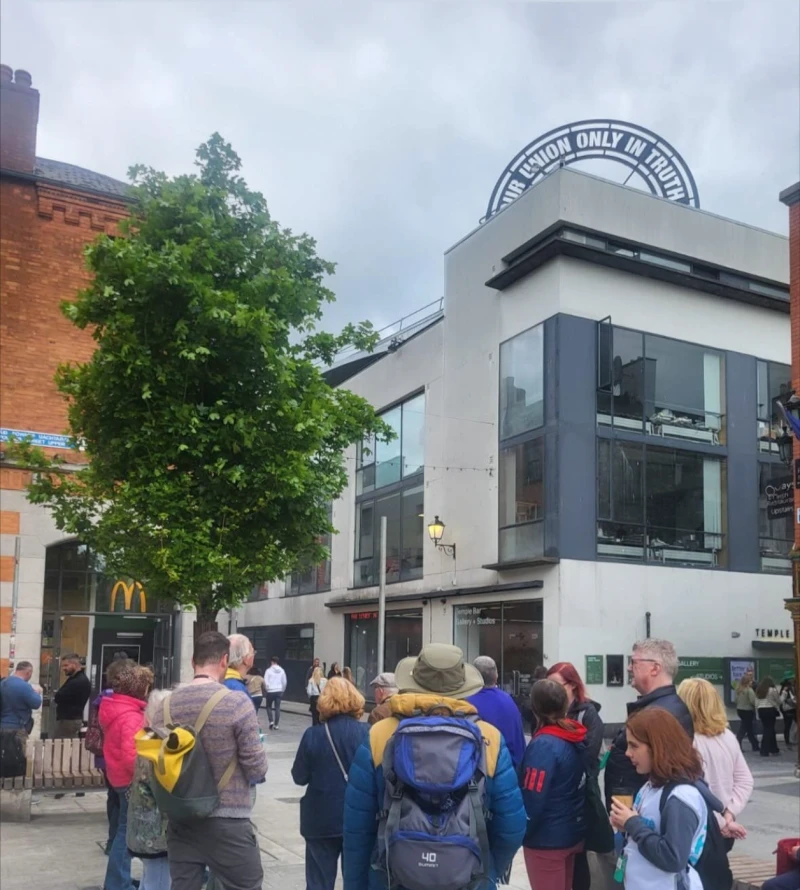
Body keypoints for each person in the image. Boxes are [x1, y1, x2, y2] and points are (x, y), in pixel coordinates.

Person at [343, 643, 526, 890]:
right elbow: (512, 827)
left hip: (391, 879)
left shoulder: (379, 735)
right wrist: (486, 869)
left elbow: (357, 830)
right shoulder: (489, 738)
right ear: (463, 686)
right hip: (469, 880)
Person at [165, 631, 268, 890]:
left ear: (192, 661)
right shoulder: (236, 703)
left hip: (181, 819)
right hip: (229, 821)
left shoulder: (166, 704)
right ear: (224, 660)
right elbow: (256, 767)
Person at [609, 708, 709, 890]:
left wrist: (633, 823)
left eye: (634, 746)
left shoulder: (681, 797)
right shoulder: (651, 786)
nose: (627, 753)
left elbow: (673, 858)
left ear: (658, 746)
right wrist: (626, 824)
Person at [292, 678, 369, 890]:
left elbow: (299, 777)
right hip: (358, 819)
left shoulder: (313, 735)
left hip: (320, 819)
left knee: (318, 882)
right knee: (357, 881)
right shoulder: (367, 733)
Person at [604, 639, 693, 811]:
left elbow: (666, 772)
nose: (629, 668)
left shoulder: (664, 712)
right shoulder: (657, 706)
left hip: (641, 816)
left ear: (655, 668)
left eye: (633, 662)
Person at [520, 679, 587, 890]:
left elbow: (533, 797)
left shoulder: (544, 745)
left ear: (534, 708)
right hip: (571, 831)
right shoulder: (574, 735)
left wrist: (522, 831)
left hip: (546, 840)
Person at [546, 661, 604, 890]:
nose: (551, 689)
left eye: (555, 684)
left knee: (580, 854)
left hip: (580, 792)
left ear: (571, 685)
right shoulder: (548, 713)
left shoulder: (588, 714)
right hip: (558, 795)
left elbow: (590, 756)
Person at [677, 678, 753, 850]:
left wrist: (720, 822)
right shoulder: (727, 736)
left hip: (698, 828)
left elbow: (692, 790)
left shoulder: (685, 740)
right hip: (725, 825)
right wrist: (729, 814)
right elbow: (745, 780)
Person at [100, 661, 153, 890]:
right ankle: (117, 883)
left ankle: (118, 880)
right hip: (129, 781)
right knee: (126, 834)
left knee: (123, 830)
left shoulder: (114, 707)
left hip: (117, 777)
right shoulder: (130, 715)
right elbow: (133, 757)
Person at [127, 688, 171, 890]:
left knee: (150, 878)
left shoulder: (147, 739)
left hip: (144, 827)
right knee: (159, 880)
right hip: (157, 833)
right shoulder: (159, 747)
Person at [468, 656, 526, 768]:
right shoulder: (509, 700)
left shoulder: (467, 703)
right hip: (513, 768)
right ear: (496, 676)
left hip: (486, 773)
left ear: (473, 677)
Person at [53, 653, 91, 739]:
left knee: (61, 746)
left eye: (66, 665)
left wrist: (58, 695)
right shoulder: (77, 679)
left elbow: (59, 696)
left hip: (69, 720)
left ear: (74, 664)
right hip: (71, 719)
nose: (64, 668)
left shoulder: (78, 681)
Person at [0, 660, 42, 737]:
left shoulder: (3, 683)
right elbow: (36, 704)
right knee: (17, 749)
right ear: (28, 673)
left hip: (2, 725)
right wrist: (37, 692)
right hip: (17, 727)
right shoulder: (25, 686)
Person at [756, 675, 782, 756]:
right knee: (768, 730)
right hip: (770, 710)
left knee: (769, 729)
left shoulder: (759, 690)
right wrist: (784, 693)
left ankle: (773, 749)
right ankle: (764, 750)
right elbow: (779, 701)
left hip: (761, 710)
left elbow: (756, 702)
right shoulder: (772, 690)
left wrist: (757, 712)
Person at [735, 672, 760, 752]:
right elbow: (753, 701)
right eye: (750, 681)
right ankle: (738, 744)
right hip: (748, 711)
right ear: (748, 682)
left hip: (740, 710)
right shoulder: (749, 690)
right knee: (744, 729)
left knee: (749, 729)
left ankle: (755, 745)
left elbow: (736, 700)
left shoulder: (738, 690)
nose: (752, 682)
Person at [265, 656, 287, 730]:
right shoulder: (282, 670)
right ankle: (276, 725)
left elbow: (266, 681)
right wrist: (282, 690)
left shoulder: (268, 671)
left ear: (272, 662)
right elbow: (284, 681)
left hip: (271, 690)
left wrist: (267, 689)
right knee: (277, 707)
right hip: (279, 690)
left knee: (268, 706)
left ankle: (271, 721)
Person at [780, 674, 797, 747]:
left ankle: (789, 739)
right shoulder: (787, 688)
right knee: (789, 724)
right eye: (792, 678)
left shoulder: (785, 687)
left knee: (789, 724)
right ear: (789, 679)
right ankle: (789, 740)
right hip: (789, 708)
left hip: (788, 709)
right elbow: (786, 699)